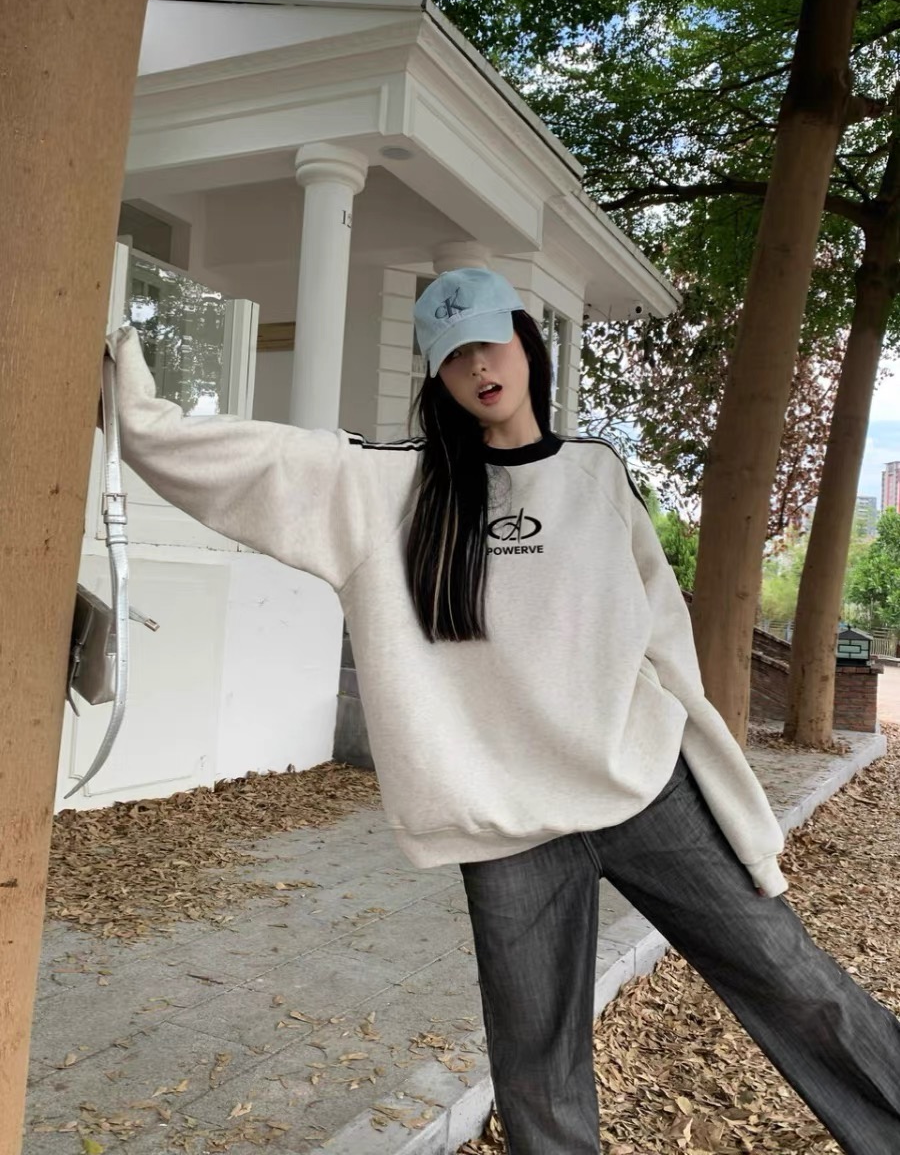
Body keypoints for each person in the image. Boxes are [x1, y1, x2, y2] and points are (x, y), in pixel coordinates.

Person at [109, 267, 900, 1155]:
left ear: (527, 343)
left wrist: (737, 808)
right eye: (454, 357)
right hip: (508, 831)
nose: (478, 366)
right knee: (536, 1073)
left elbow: (668, 652)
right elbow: (248, 462)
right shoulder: (390, 489)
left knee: (798, 982)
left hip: (642, 788)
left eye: (490, 342)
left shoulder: (596, 474)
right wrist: (132, 397)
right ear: (438, 377)